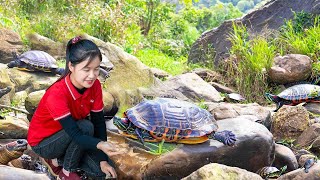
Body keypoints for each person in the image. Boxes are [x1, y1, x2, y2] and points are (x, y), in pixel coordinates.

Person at [27, 36, 118, 180]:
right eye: (86, 69)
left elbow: (99, 124)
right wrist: (100, 144)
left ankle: (59, 160)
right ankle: (66, 171)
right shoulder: (57, 93)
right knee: (86, 127)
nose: (92, 75)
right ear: (71, 66)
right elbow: (77, 133)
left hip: (72, 137)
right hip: (44, 143)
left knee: (102, 172)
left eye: (96, 69)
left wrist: (102, 160)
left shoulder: (95, 86)